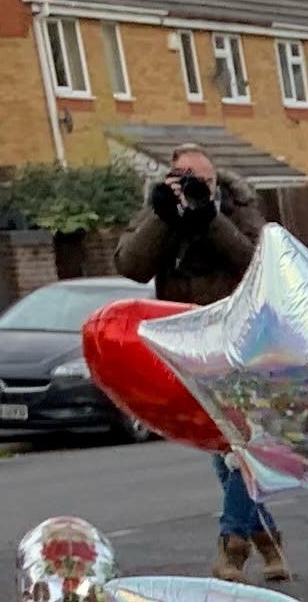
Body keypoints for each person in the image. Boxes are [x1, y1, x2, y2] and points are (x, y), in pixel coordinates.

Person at [114, 142, 277, 579]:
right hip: (187, 346)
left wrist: (210, 218)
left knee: (239, 442)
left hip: (237, 341)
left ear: (214, 178)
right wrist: (161, 217)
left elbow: (256, 261)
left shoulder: (237, 207)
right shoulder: (162, 213)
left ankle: (233, 543)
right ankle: (267, 536)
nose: (189, 185)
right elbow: (130, 264)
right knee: (216, 447)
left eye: (198, 178)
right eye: (180, 176)